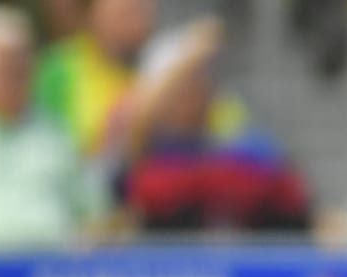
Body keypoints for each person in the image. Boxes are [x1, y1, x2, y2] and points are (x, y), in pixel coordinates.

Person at [111, 20, 312, 234]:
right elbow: (136, 135)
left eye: (199, 81)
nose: (193, 96)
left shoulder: (236, 144)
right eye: (180, 88)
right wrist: (187, 57)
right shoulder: (142, 157)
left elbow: (287, 184)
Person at [0, 5, 107, 248]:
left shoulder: (53, 135)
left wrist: (93, 236)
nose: (18, 70)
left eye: (23, 60)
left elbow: (99, 215)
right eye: (2, 62)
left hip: (52, 274)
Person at [31, 0, 150, 156]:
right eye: (124, 13)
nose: (136, 22)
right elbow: (45, 143)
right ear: (91, 15)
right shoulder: (58, 68)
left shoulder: (153, 65)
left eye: (139, 12)